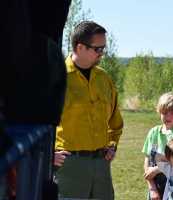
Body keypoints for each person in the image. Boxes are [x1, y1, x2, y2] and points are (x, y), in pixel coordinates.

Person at [54, 21, 123, 200]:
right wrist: (49, 155)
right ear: (80, 47)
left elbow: (116, 122)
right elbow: (39, 123)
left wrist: (113, 145)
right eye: (97, 49)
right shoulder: (56, 78)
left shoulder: (104, 79)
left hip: (101, 167)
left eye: (103, 49)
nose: (102, 54)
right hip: (69, 168)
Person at [142, 92, 173, 200]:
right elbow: (148, 161)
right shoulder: (153, 133)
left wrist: (157, 169)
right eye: (165, 112)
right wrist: (152, 189)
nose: (168, 116)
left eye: (172, 113)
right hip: (155, 187)